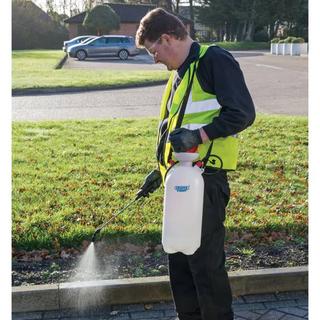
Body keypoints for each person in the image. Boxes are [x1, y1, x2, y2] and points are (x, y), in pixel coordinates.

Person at [136, 8, 255, 320]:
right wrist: (160, 170)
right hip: (181, 181)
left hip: (206, 181)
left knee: (205, 265)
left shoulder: (213, 60)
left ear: (167, 38)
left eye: (154, 50)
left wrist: (200, 135)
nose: (154, 58)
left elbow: (242, 113)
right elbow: (174, 130)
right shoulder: (179, 74)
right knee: (180, 259)